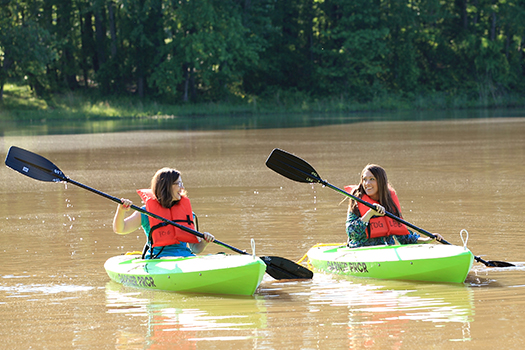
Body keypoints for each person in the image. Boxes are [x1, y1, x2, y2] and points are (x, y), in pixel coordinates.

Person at [113, 167, 214, 259]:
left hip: (185, 258)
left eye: (182, 183)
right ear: (166, 186)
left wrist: (204, 242)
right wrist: (121, 210)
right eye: (178, 183)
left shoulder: (188, 214)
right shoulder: (146, 212)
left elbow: (195, 249)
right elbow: (120, 229)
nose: (182, 187)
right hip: (157, 260)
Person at [345, 164, 443, 248]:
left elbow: (404, 238)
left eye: (372, 179)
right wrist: (370, 213)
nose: (367, 183)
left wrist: (426, 240)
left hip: (386, 251)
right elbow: (352, 233)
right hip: (360, 251)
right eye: (364, 179)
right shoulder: (357, 201)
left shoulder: (389, 203)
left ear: (381, 182)